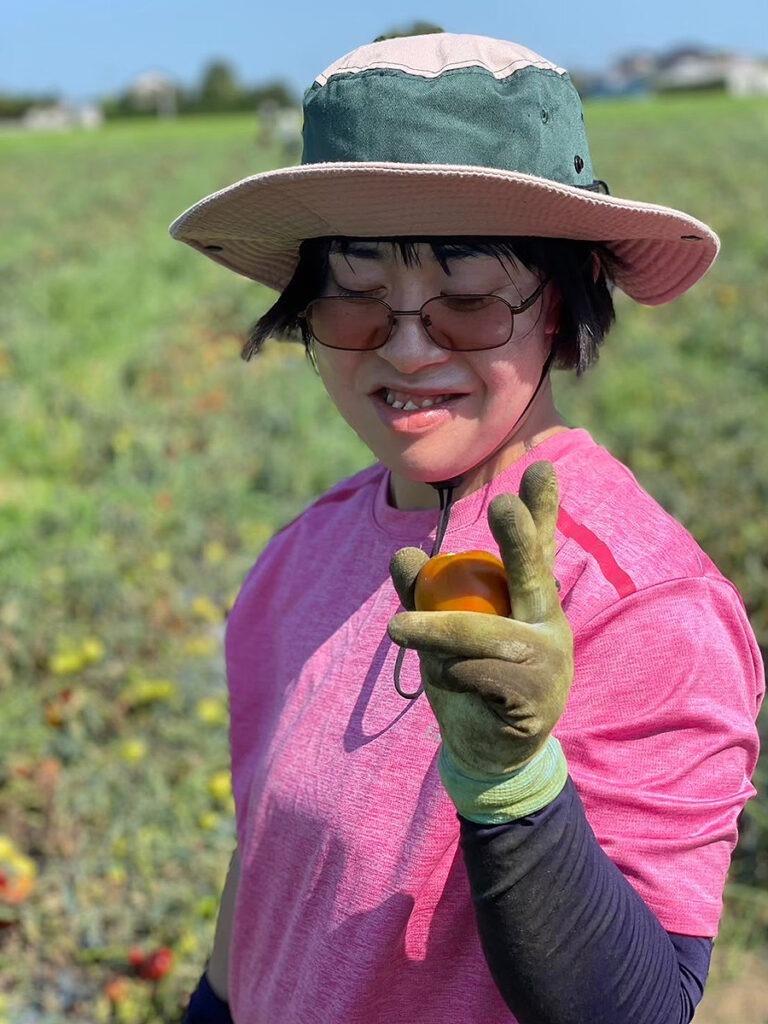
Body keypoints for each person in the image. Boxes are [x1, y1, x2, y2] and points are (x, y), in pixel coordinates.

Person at [171, 33, 764, 1024]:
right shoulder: (298, 560)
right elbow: (272, 869)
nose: (407, 346)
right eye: (357, 296)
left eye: (470, 300)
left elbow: (640, 1008)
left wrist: (513, 784)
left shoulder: (640, 604)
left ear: (562, 311)